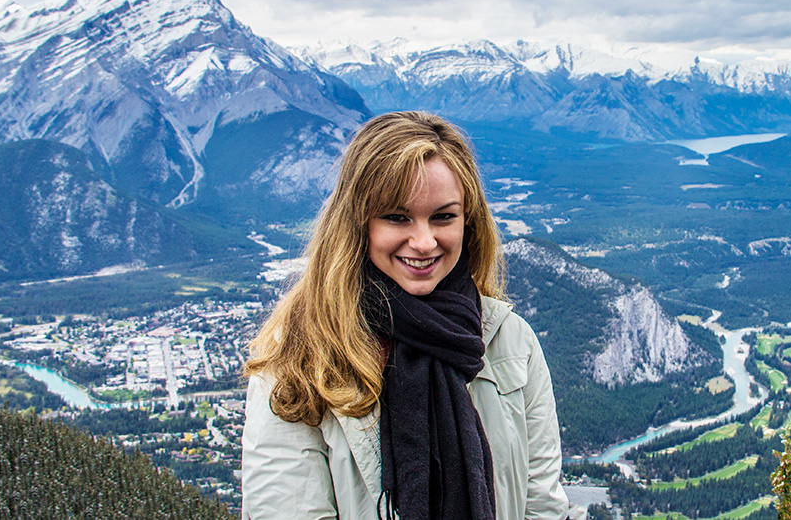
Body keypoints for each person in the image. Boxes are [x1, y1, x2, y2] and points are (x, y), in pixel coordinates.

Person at [241, 111, 569, 520]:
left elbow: (543, 506)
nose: (424, 241)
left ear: (468, 221)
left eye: (443, 216)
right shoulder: (299, 358)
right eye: (397, 217)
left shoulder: (510, 342)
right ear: (357, 224)